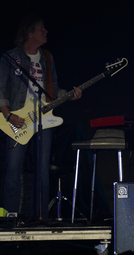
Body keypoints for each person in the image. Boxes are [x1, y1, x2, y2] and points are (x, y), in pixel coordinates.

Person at [0, 15, 82, 220]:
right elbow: (0, 89)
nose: (46, 32)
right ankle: (10, 216)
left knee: (43, 171)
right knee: (13, 169)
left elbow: (53, 90)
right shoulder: (11, 57)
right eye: (41, 29)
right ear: (30, 32)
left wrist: (69, 95)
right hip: (18, 119)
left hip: (44, 119)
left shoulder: (47, 57)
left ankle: (41, 218)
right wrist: (8, 115)